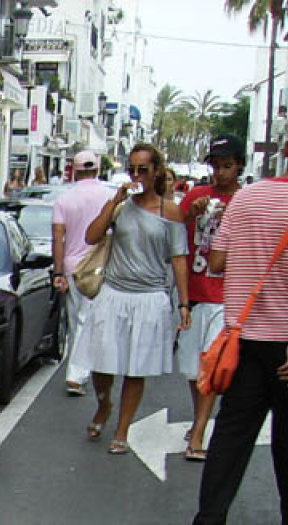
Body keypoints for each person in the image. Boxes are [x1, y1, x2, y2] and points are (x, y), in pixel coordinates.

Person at [184, 117, 288, 525]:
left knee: (232, 431)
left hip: (243, 335)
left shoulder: (246, 197)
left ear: (286, 147)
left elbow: (219, 260)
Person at [71, 143, 190, 454]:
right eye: (132, 169)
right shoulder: (121, 207)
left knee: (136, 368)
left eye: (143, 169)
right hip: (113, 293)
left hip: (150, 297)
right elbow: (91, 236)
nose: (136, 175)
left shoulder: (171, 212)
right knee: (101, 363)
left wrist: (184, 304)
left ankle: (122, 429)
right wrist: (114, 201)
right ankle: (104, 403)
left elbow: (179, 259)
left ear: (157, 173)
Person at [176, 134, 245, 461]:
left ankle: (200, 431)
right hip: (194, 292)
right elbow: (173, 234)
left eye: (227, 166)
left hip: (227, 296)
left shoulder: (245, 201)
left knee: (210, 362)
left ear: (240, 167)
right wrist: (192, 214)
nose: (220, 173)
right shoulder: (197, 196)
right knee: (193, 368)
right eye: (215, 166)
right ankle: (198, 419)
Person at [52, 150, 115, 396]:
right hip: (101, 265)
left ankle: (77, 373)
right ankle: (80, 373)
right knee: (91, 320)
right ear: (97, 170)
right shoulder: (110, 196)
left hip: (72, 266)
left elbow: (59, 237)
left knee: (78, 319)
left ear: (75, 171)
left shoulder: (64, 200)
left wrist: (58, 272)